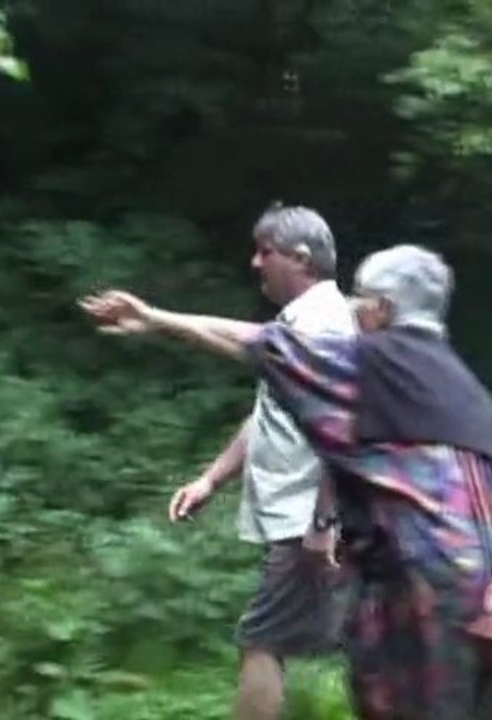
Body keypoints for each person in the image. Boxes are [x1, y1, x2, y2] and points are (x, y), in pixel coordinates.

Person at [80, 244, 492, 720]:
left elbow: (260, 345)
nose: (351, 307)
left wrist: (158, 319)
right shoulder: (465, 387)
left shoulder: (367, 363)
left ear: (381, 309)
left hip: (420, 597)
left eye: (359, 297)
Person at [167, 204, 356, 720]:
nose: (254, 263)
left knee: (262, 639)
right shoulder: (302, 323)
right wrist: (211, 479)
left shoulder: (319, 327)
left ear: (299, 258)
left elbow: (344, 430)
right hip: (308, 520)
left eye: (264, 251)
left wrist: (324, 522)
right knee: (365, 642)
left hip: (309, 522)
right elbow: (269, 417)